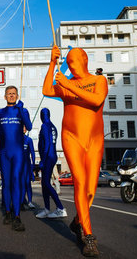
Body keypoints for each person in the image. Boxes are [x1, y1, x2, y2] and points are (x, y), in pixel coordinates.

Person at [42, 45, 108, 257]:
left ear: (84, 60)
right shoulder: (65, 85)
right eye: (68, 62)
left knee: (90, 189)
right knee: (79, 182)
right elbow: (46, 90)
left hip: (95, 139)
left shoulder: (99, 80)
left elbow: (97, 100)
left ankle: (78, 219)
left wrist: (69, 85)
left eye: (74, 61)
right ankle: (88, 235)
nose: (71, 65)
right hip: (71, 137)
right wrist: (52, 62)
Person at [0, 86, 32, 231]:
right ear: (5, 96)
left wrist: (21, 109)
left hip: (18, 152)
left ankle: (17, 216)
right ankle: (8, 212)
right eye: (9, 94)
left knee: (16, 180)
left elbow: (30, 127)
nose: (12, 96)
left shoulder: (22, 110)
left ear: (17, 95)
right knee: (6, 182)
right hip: (4, 152)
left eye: (14, 94)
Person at [35, 108, 67, 219]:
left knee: (46, 183)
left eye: (42, 114)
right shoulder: (53, 126)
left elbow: (48, 143)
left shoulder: (45, 126)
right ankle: (47, 209)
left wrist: (43, 160)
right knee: (44, 184)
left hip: (48, 156)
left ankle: (60, 208)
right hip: (51, 155)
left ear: (43, 115)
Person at [22, 127, 35, 210]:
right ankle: (21, 201)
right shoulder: (15, 138)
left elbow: (32, 152)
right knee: (19, 184)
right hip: (17, 166)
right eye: (22, 126)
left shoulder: (29, 140)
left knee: (27, 184)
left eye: (25, 127)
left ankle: (30, 201)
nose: (23, 128)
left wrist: (33, 164)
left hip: (26, 166)